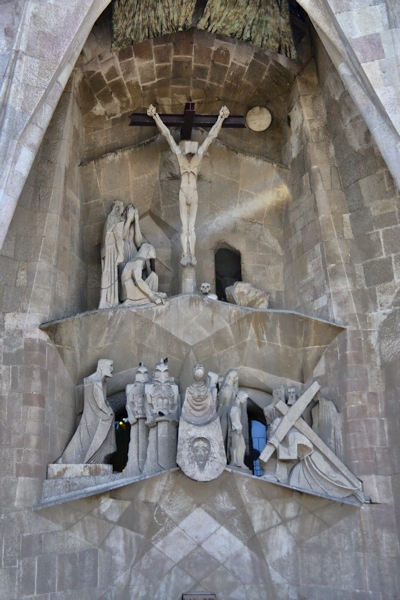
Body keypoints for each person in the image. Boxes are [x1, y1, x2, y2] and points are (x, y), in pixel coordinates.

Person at [147, 104, 230, 266]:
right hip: (183, 193)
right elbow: (167, 135)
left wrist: (221, 118)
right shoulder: (180, 158)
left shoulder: (198, 158)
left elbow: (211, 137)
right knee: (185, 228)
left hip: (193, 193)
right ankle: (185, 255)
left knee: (191, 228)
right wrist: (155, 116)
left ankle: (192, 255)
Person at [55, 359, 116, 465]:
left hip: (95, 416)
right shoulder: (94, 382)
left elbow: (104, 401)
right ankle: (86, 460)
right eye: (110, 366)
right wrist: (109, 412)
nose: (112, 369)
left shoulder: (102, 381)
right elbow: (100, 403)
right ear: (101, 367)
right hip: (93, 417)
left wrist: (109, 410)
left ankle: (95, 458)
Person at [99, 201, 125, 308]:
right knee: (110, 274)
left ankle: (106, 300)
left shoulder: (109, 219)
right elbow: (118, 237)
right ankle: (109, 301)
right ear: (118, 208)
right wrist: (121, 253)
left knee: (107, 273)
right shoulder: (116, 219)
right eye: (122, 207)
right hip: (112, 250)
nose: (123, 210)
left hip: (107, 250)